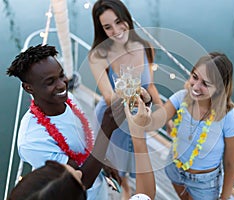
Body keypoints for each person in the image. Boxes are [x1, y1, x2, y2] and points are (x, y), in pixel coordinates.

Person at [6, 44, 126, 200]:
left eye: (61, 75)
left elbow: (83, 145)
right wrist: (106, 131)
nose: (62, 85)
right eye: (50, 82)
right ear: (29, 88)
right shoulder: (32, 141)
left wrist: (103, 161)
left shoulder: (68, 99)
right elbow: (79, 181)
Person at [88, 0, 172, 198]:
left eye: (119, 22)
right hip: (113, 118)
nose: (116, 31)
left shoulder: (144, 46)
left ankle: (130, 185)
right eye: (107, 27)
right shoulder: (98, 56)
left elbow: (149, 85)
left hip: (138, 115)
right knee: (117, 163)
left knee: (137, 157)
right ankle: (124, 187)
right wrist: (136, 96)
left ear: (127, 19)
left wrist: (164, 116)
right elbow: (109, 97)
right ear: (101, 29)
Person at [8, 97, 156, 200]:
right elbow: (146, 195)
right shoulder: (29, 142)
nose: (80, 172)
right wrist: (137, 133)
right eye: (78, 180)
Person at [143, 52, 234, 200]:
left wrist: (224, 198)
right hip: (174, 167)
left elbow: (231, 166)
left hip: (204, 184)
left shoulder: (231, 120)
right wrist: (143, 105)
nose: (195, 87)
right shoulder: (182, 97)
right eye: (195, 77)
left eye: (205, 84)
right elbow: (152, 123)